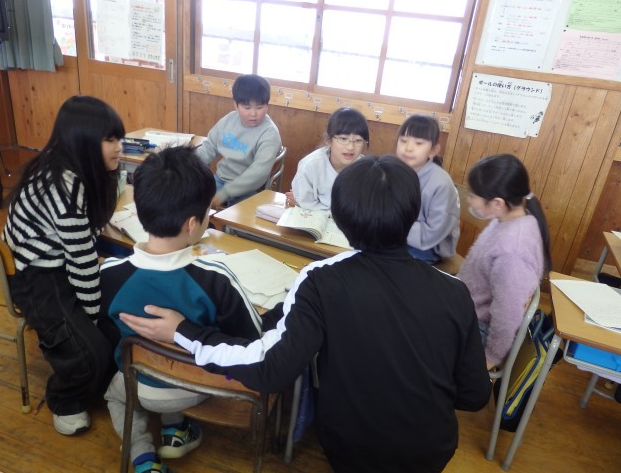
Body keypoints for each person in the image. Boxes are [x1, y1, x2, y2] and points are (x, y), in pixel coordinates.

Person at [119, 155, 492, 473]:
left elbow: (269, 369)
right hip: (430, 451)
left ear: (340, 221)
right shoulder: (455, 292)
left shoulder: (320, 281)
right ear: (412, 215)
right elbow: (474, 396)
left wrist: (184, 331)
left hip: (349, 448)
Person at [101, 146, 263, 473]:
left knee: (115, 396)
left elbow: (109, 329)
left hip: (139, 379)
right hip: (198, 386)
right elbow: (253, 340)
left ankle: (143, 458)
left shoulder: (110, 274)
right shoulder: (216, 279)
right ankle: (176, 429)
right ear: (192, 224)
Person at [2, 95, 124, 435]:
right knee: (91, 352)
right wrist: (90, 320)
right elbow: (82, 263)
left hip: (60, 261)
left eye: (119, 138)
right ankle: (63, 399)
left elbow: (84, 244)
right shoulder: (65, 188)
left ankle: (92, 372)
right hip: (34, 274)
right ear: (82, 142)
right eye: (110, 140)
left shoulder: (74, 168)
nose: (119, 147)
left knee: (117, 326)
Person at [457, 153, 552, 370]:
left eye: (472, 195)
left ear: (497, 203)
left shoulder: (513, 250)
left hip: (476, 327)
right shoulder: (510, 218)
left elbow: (507, 314)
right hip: (464, 307)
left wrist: (490, 358)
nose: (469, 200)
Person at [195, 74, 282, 209]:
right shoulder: (229, 120)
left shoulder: (270, 133)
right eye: (247, 108)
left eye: (259, 107)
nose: (253, 113)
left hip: (250, 188)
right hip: (220, 179)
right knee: (191, 202)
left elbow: (258, 173)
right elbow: (209, 147)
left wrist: (224, 194)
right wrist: (189, 165)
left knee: (235, 219)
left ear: (267, 105)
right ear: (236, 105)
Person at [395, 114, 460, 264]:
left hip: (429, 247)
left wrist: (391, 226)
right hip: (398, 235)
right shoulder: (394, 170)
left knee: (385, 262)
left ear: (433, 150)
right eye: (403, 141)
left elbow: (432, 234)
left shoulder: (441, 183)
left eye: (418, 143)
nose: (408, 148)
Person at [285, 107, 368, 210]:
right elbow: (304, 204)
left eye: (358, 140)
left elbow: (364, 210)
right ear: (328, 140)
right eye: (343, 139)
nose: (351, 147)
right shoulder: (310, 165)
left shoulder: (366, 170)